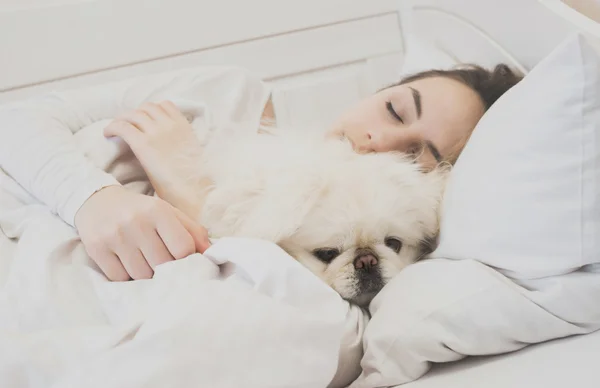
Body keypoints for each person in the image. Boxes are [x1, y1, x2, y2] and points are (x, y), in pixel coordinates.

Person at [0, 64, 522, 282]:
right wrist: (93, 198)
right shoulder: (230, 94)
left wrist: (186, 190)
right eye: (393, 110)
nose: (377, 141)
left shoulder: (359, 261)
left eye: (416, 155)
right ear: (377, 90)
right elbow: (15, 120)